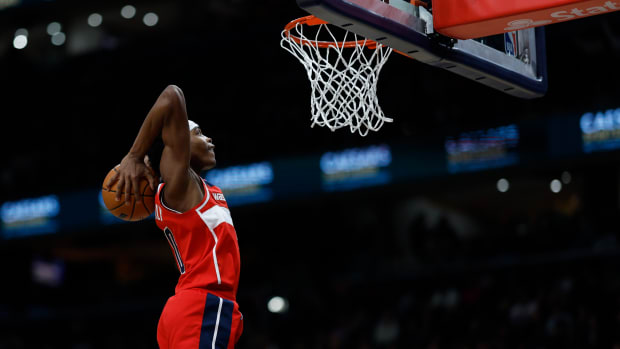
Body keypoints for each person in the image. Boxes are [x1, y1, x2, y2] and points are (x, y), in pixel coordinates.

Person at [106, 85, 242, 348]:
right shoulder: (180, 184)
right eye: (199, 133)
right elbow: (171, 95)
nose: (209, 139)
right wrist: (134, 155)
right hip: (203, 304)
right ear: (177, 144)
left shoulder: (199, 189)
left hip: (188, 307)